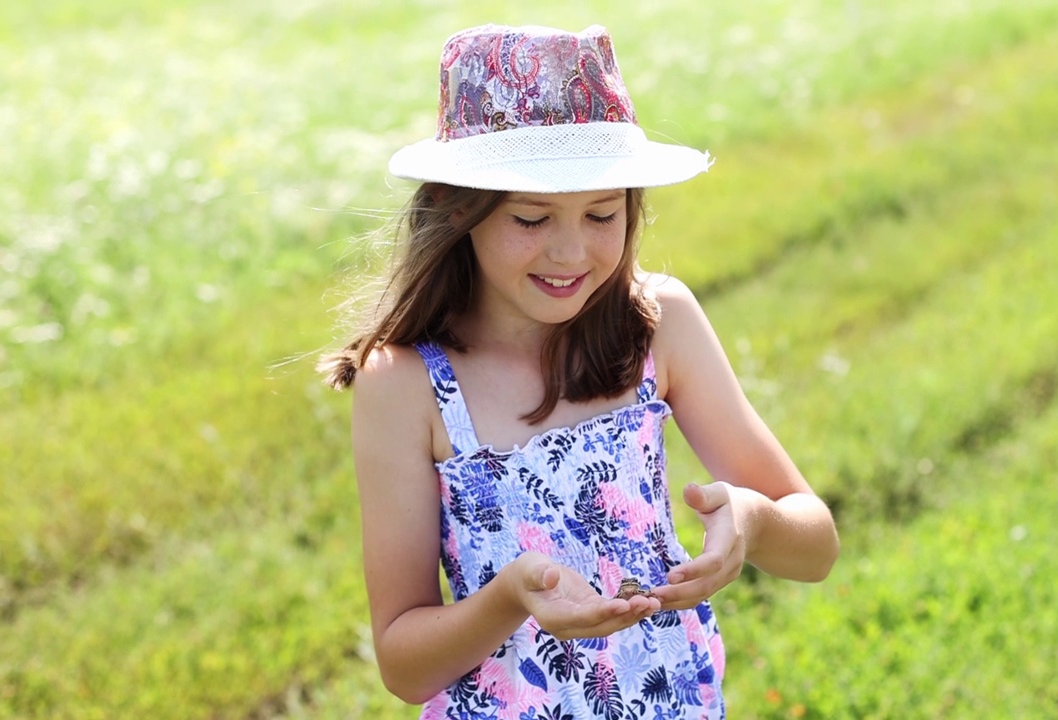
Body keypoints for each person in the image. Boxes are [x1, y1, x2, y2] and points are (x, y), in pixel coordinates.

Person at [318, 23, 839, 719]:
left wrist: (751, 521)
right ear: (455, 208)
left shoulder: (658, 325)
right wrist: (508, 598)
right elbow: (404, 665)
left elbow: (816, 547)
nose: (571, 253)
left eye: (601, 214)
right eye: (532, 219)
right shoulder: (407, 384)